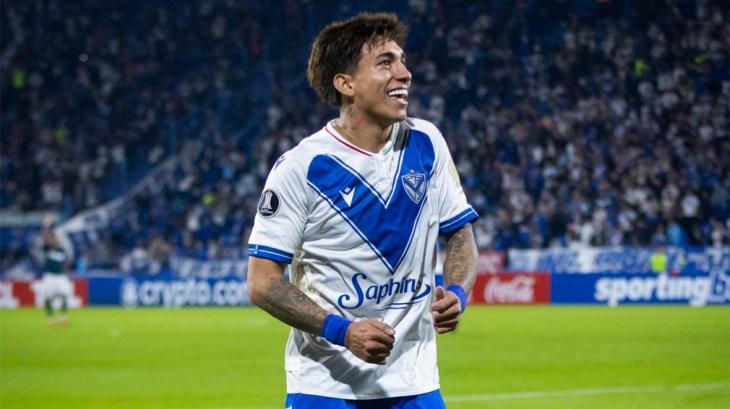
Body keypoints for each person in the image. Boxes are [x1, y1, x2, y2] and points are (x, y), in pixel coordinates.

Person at [247, 12, 478, 408]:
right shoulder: (303, 167)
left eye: (402, 60)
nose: (404, 73)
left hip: (416, 382)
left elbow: (460, 234)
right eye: (385, 63)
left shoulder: (427, 142)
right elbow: (262, 282)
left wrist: (457, 291)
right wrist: (343, 331)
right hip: (326, 387)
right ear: (346, 83)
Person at [39, 216, 73, 325]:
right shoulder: (48, 248)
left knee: (65, 293)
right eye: (53, 238)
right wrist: (46, 226)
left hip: (60, 276)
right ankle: (50, 317)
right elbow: (44, 237)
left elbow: (64, 263)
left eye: (56, 238)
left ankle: (63, 316)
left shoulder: (61, 250)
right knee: (48, 297)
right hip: (49, 276)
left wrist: (66, 271)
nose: (55, 239)